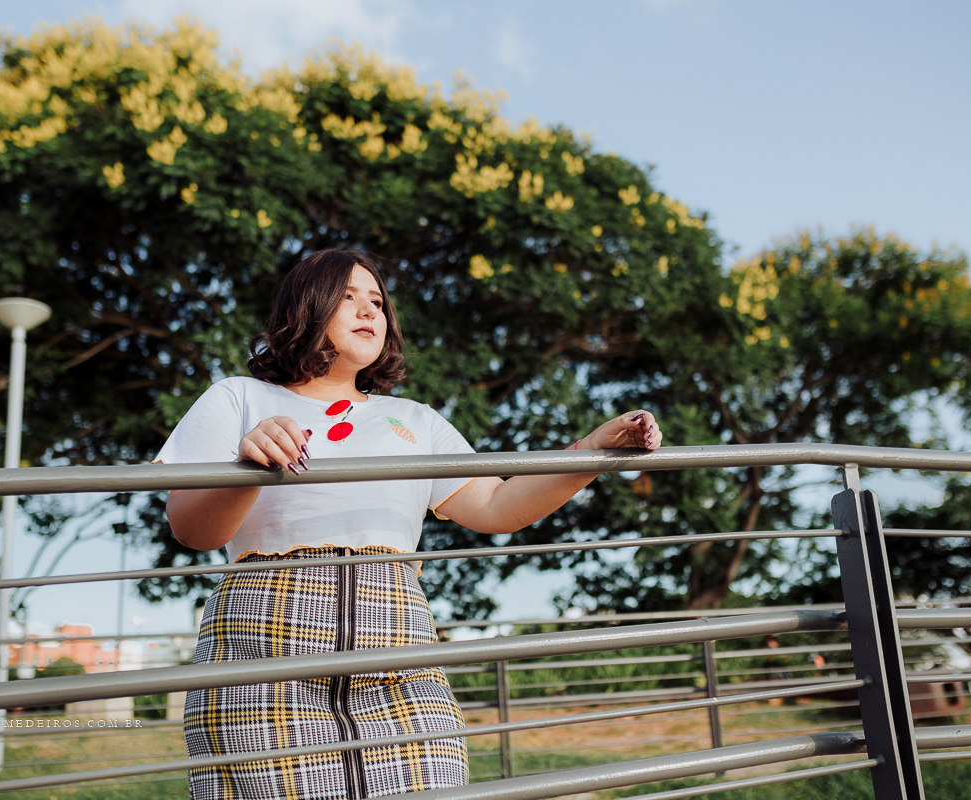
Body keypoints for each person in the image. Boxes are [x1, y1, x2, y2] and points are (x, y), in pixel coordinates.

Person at [157, 248, 663, 799]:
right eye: (347, 296)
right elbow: (192, 530)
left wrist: (591, 449)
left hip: (400, 655)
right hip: (263, 656)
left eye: (376, 300)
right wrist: (249, 468)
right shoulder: (238, 397)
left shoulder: (414, 418)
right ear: (303, 307)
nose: (369, 310)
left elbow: (497, 507)